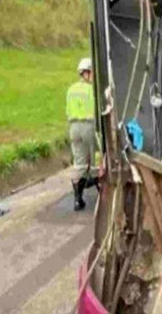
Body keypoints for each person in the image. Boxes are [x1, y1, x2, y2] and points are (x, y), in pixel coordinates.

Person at [66, 57, 97, 211]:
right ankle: (102, 195)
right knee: (95, 159)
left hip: (73, 127)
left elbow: (68, 110)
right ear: (87, 73)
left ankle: (78, 200)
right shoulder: (92, 89)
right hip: (88, 125)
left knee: (79, 164)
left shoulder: (71, 89)